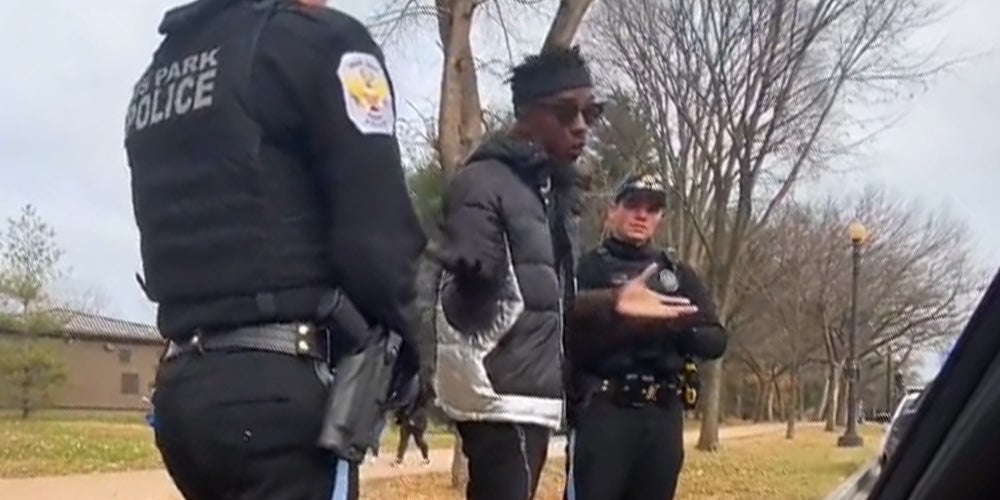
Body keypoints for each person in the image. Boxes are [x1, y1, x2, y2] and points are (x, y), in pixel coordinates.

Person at [122, 1, 425, 499]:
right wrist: (412, 352)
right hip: (282, 388)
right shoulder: (321, 43)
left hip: (183, 385)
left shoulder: (162, 69)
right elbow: (378, 234)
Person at [432, 46, 698, 500]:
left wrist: (612, 302)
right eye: (565, 112)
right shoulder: (484, 182)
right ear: (527, 114)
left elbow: (550, 298)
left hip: (531, 392)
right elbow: (448, 288)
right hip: (498, 391)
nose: (581, 126)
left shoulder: (549, 192)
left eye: (591, 113)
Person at [563, 173, 729, 500]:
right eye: (633, 205)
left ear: (660, 219)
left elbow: (716, 340)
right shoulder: (587, 268)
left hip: (662, 414)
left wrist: (673, 325)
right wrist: (624, 318)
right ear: (612, 211)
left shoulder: (677, 274)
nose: (642, 215)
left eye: (652, 209)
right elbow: (567, 339)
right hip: (605, 410)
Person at [392, 381, 432, 467]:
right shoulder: (406, 389)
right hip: (406, 418)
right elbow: (401, 404)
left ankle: (426, 458)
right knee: (403, 440)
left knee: (419, 441)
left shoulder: (423, 391)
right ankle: (399, 460)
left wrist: (414, 418)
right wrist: (398, 416)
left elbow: (423, 405)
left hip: (418, 420)